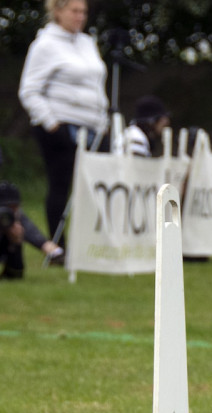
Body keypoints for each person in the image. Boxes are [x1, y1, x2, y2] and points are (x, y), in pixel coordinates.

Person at [18, 0, 109, 248]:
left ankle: (92, 243)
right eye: (75, 11)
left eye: (84, 12)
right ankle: (60, 245)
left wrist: (103, 120)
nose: (80, 17)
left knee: (98, 183)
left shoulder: (88, 43)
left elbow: (96, 85)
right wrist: (51, 123)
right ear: (58, 12)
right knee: (61, 184)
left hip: (93, 127)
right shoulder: (45, 45)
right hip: (61, 125)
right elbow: (29, 90)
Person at [1, 181, 65, 280]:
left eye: (14, 208)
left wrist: (16, 242)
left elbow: (15, 276)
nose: (10, 212)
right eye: (6, 208)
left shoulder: (16, 219)